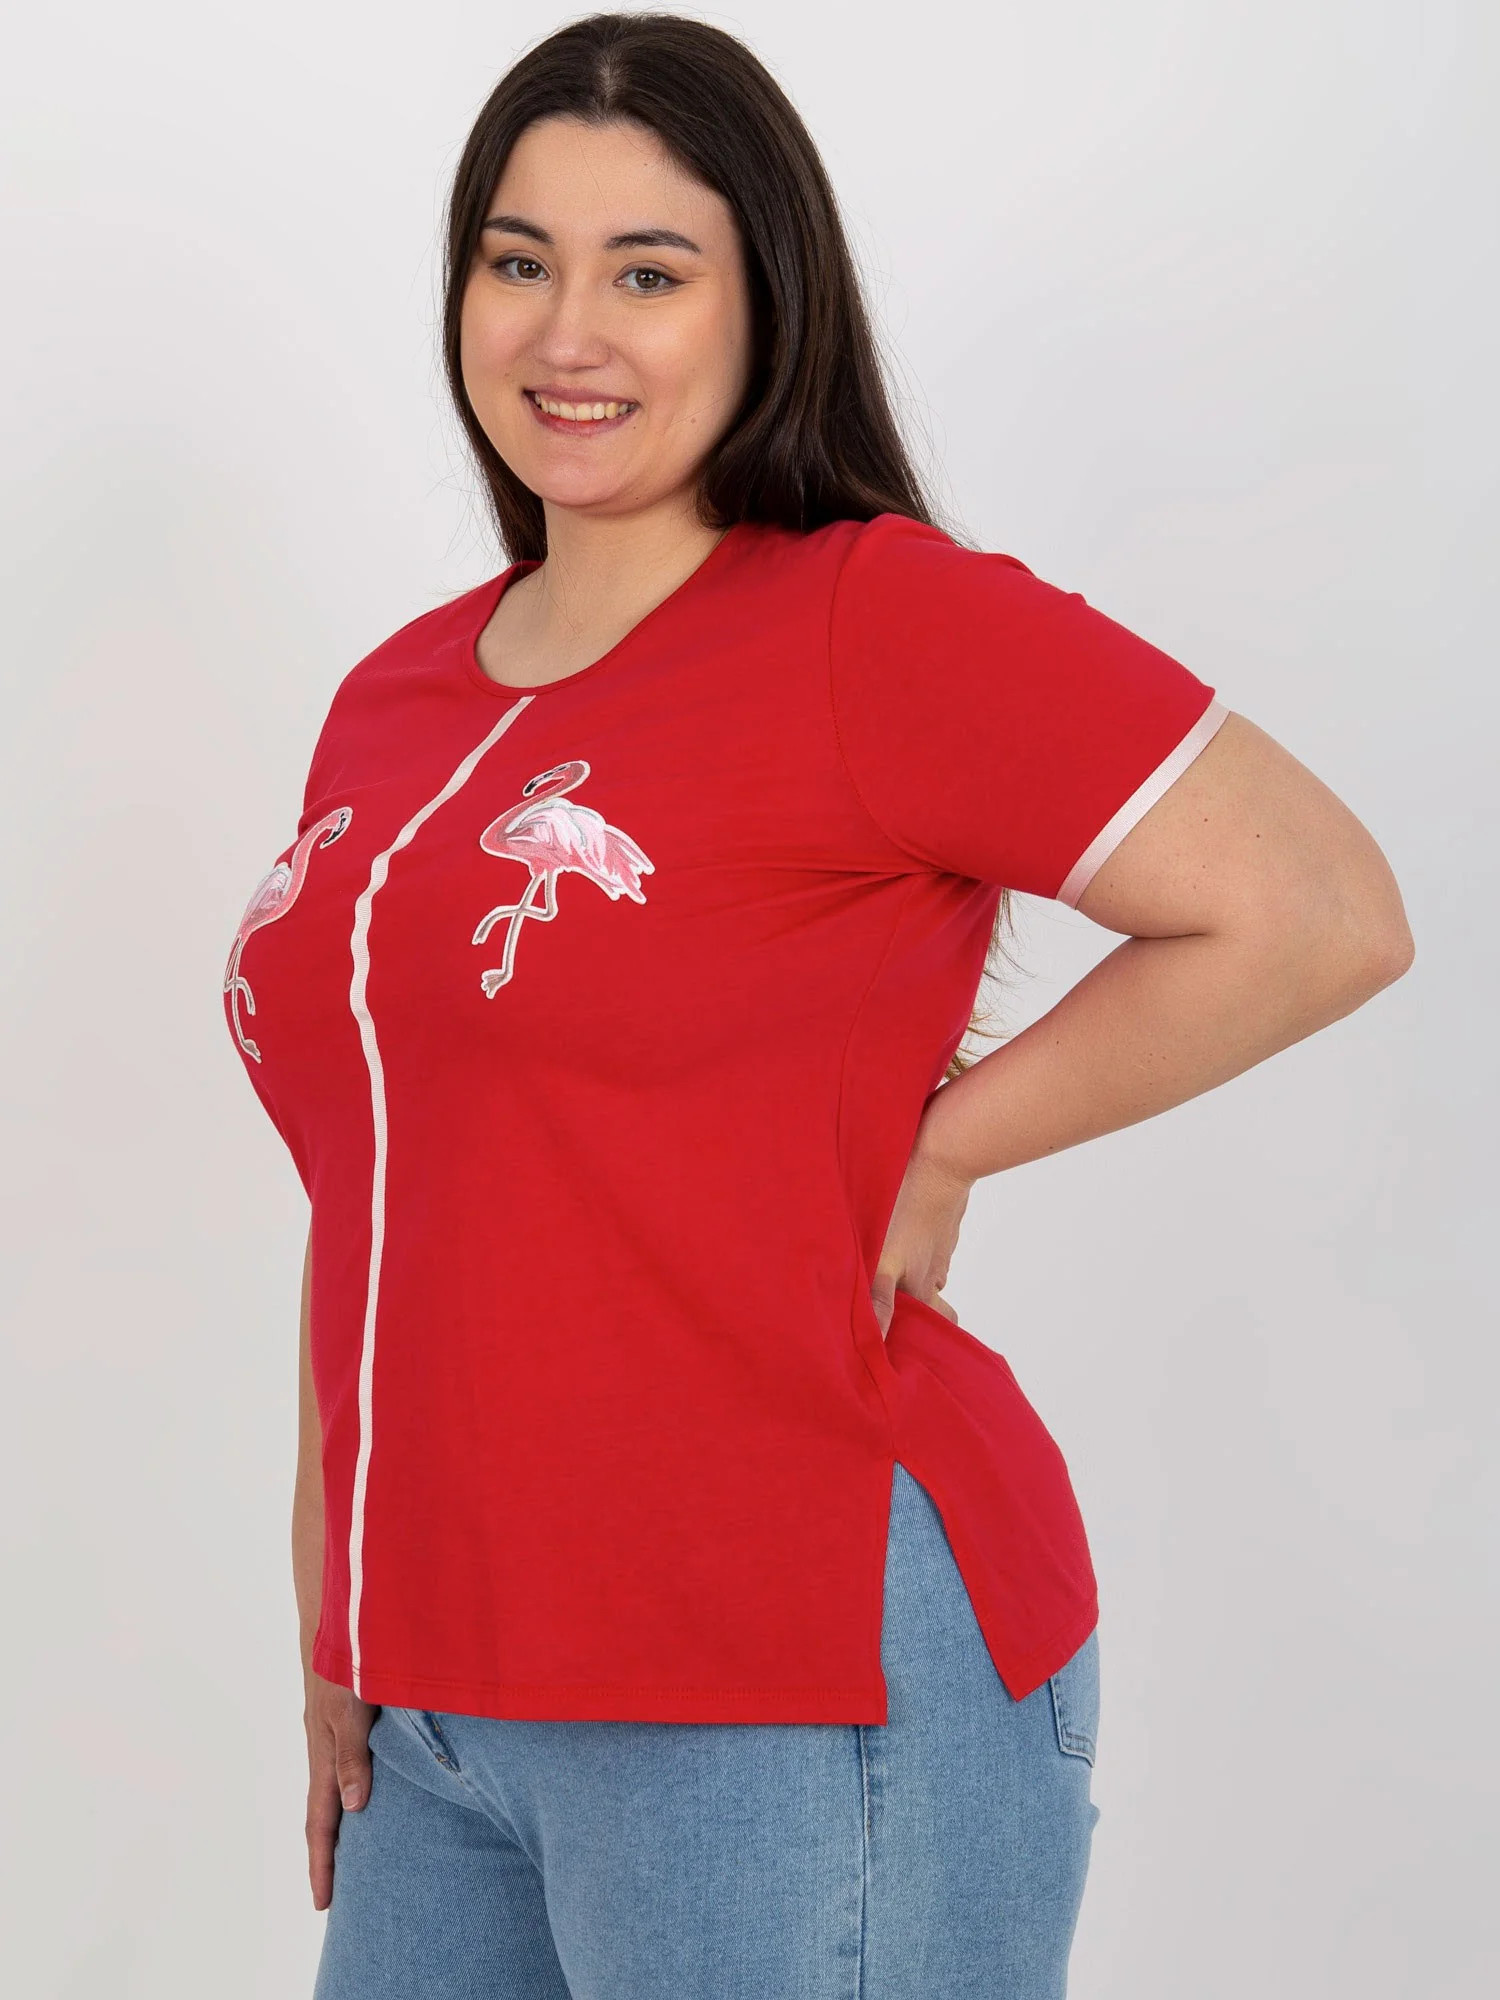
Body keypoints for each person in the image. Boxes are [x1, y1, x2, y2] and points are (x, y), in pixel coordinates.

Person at [222, 14, 1414, 1998]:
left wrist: (949, 1143)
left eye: (649, 272)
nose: (567, 331)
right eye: (518, 260)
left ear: (767, 303)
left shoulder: (872, 620)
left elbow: (1317, 908)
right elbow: (381, 1181)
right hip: (432, 1699)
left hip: (785, 1667)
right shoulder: (397, 696)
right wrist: (333, 1603)